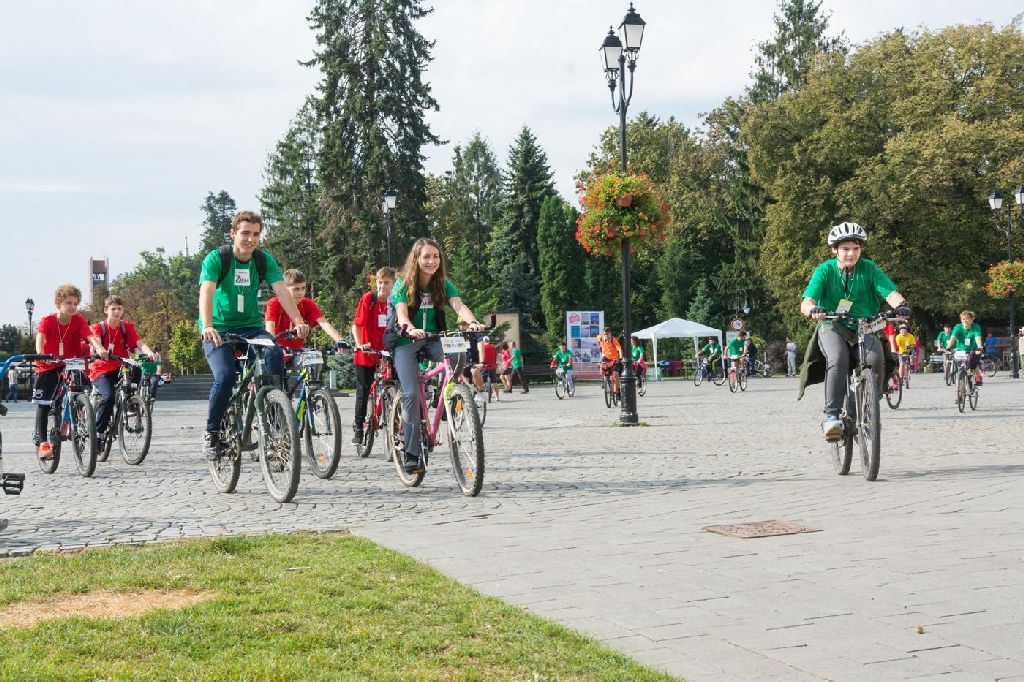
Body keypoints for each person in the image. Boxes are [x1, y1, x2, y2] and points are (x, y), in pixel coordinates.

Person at [198, 210, 309, 461]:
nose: (251, 239)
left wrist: (298, 319)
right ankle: (212, 432)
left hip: (250, 326)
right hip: (218, 327)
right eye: (245, 233)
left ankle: (275, 419)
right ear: (233, 233)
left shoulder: (262, 260)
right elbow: (207, 291)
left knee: (274, 353)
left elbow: (281, 290)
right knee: (225, 376)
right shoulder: (218, 258)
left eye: (256, 234)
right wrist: (207, 325)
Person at [799, 222, 909, 441]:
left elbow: (889, 292)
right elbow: (807, 301)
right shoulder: (825, 270)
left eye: (856, 249)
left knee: (876, 360)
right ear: (835, 250)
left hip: (865, 324)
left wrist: (900, 305)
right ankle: (831, 418)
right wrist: (813, 310)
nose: (851, 253)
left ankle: (864, 410)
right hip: (833, 324)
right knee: (838, 359)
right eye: (846, 249)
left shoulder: (869, 268)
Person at [389, 237, 485, 474]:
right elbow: (401, 310)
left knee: (457, 350)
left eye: (436, 256)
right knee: (411, 393)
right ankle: (411, 453)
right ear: (417, 259)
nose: (432, 261)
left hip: (432, 339)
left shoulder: (441, 282)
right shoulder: (403, 283)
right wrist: (409, 327)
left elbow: (458, 305)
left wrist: (471, 321)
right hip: (405, 341)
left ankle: (448, 393)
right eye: (426, 257)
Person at [32, 284, 106, 460]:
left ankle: (76, 418)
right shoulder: (47, 321)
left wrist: (100, 348)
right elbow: (40, 339)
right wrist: (42, 355)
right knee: (44, 403)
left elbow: (90, 337)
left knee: (79, 391)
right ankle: (43, 443)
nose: (73, 307)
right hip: (49, 364)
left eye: (75, 303)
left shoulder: (79, 320)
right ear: (59, 303)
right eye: (68, 303)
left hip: (72, 363)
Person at [89, 295, 157, 441]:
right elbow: (96, 341)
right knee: (109, 398)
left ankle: (130, 401)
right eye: (113, 309)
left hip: (120, 366)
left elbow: (138, 343)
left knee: (136, 368)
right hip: (102, 370)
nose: (116, 312)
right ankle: (98, 434)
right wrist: (101, 350)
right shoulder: (99, 327)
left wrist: (149, 352)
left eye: (119, 309)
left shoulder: (126, 327)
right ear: (105, 310)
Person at [350, 267, 396, 445]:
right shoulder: (369, 299)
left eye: (386, 283)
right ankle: (358, 427)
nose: (382, 286)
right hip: (367, 352)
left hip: (388, 352)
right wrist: (359, 344)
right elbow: (356, 325)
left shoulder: (396, 301)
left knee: (396, 385)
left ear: (393, 283)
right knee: (363, 390)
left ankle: (397, 422)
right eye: (379, 282)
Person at [945, 310, 984, 388]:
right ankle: (959, 394)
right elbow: (953, 338)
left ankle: (979, 376)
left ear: (972, 319)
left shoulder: (975, 327)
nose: (965, 320)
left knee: (973, 364)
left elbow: (977, 337)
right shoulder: (958, 327)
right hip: (960, 350)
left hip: (973, 350)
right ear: (961, 320)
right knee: (961, 370)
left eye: (967, 318)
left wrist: (979, 347)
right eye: (963, 319)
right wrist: (948, 347)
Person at [596, 327, 623, 397]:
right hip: (606, 357)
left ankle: (618, 392)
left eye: (607, 334)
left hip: (615, 359)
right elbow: (598, 340)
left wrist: (620, 357)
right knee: (601, 370)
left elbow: (619, 349)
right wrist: (600, 347)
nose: (605, 335)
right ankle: (605, 381)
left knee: (615, 375)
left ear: (610, 333)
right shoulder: (601, 338)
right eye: (604, 334)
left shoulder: (613, 340)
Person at [478, 335, 499, 400]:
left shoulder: (482, 348)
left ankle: (480, 396)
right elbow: (495, 357)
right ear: (488, 340)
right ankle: (497, 397)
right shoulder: (493, 347)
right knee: (494, 382)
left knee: (480, 381)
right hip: (492, 366)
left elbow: (480, 357)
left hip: (484, 366)